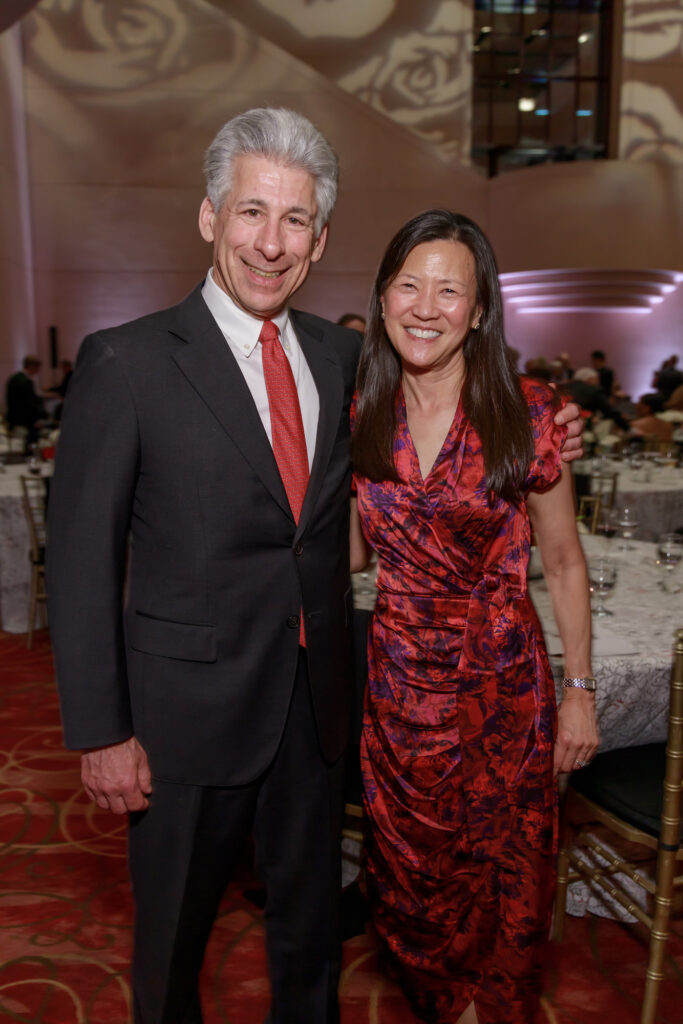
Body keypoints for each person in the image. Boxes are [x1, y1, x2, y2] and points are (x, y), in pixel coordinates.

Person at [46, 109, 584, 1024]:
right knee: (171, 944)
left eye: (295, 220)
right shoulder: (125, 362)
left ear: (320, 238)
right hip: (182, 722)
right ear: (210, 217)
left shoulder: (346, 363)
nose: (270, 241)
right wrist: (101, 731)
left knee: (308, 941)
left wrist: (550, 421)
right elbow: (81, 563)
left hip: (319, 713)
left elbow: (441, 413)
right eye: (252, 212)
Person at [349, 209, 598, 1024]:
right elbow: (349, 553)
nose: (426, 306)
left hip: (503, 695)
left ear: (480, 309)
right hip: (397, 695)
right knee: (411, 879)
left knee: (504, 876)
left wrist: (580, 689)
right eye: (408, 285)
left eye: (448, 289)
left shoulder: (528, 414)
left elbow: (561, 562)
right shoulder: (356, 416)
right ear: (383, 298)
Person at [564, 366, 630, 431]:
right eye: (596, 379)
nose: (598, 383)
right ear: (589, 379)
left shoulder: (563, 388)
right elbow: (609, 411)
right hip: (584, 428)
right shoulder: (593, 390)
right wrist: (628, 429)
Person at [5, 354, 46, 445]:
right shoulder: (26, 382)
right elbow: (29, 404)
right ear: (31, 366)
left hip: (13, 418)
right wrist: (35, 420)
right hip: (25, 421)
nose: (38, 371)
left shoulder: (14, 378)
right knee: (32, 442)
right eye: (37, 368)